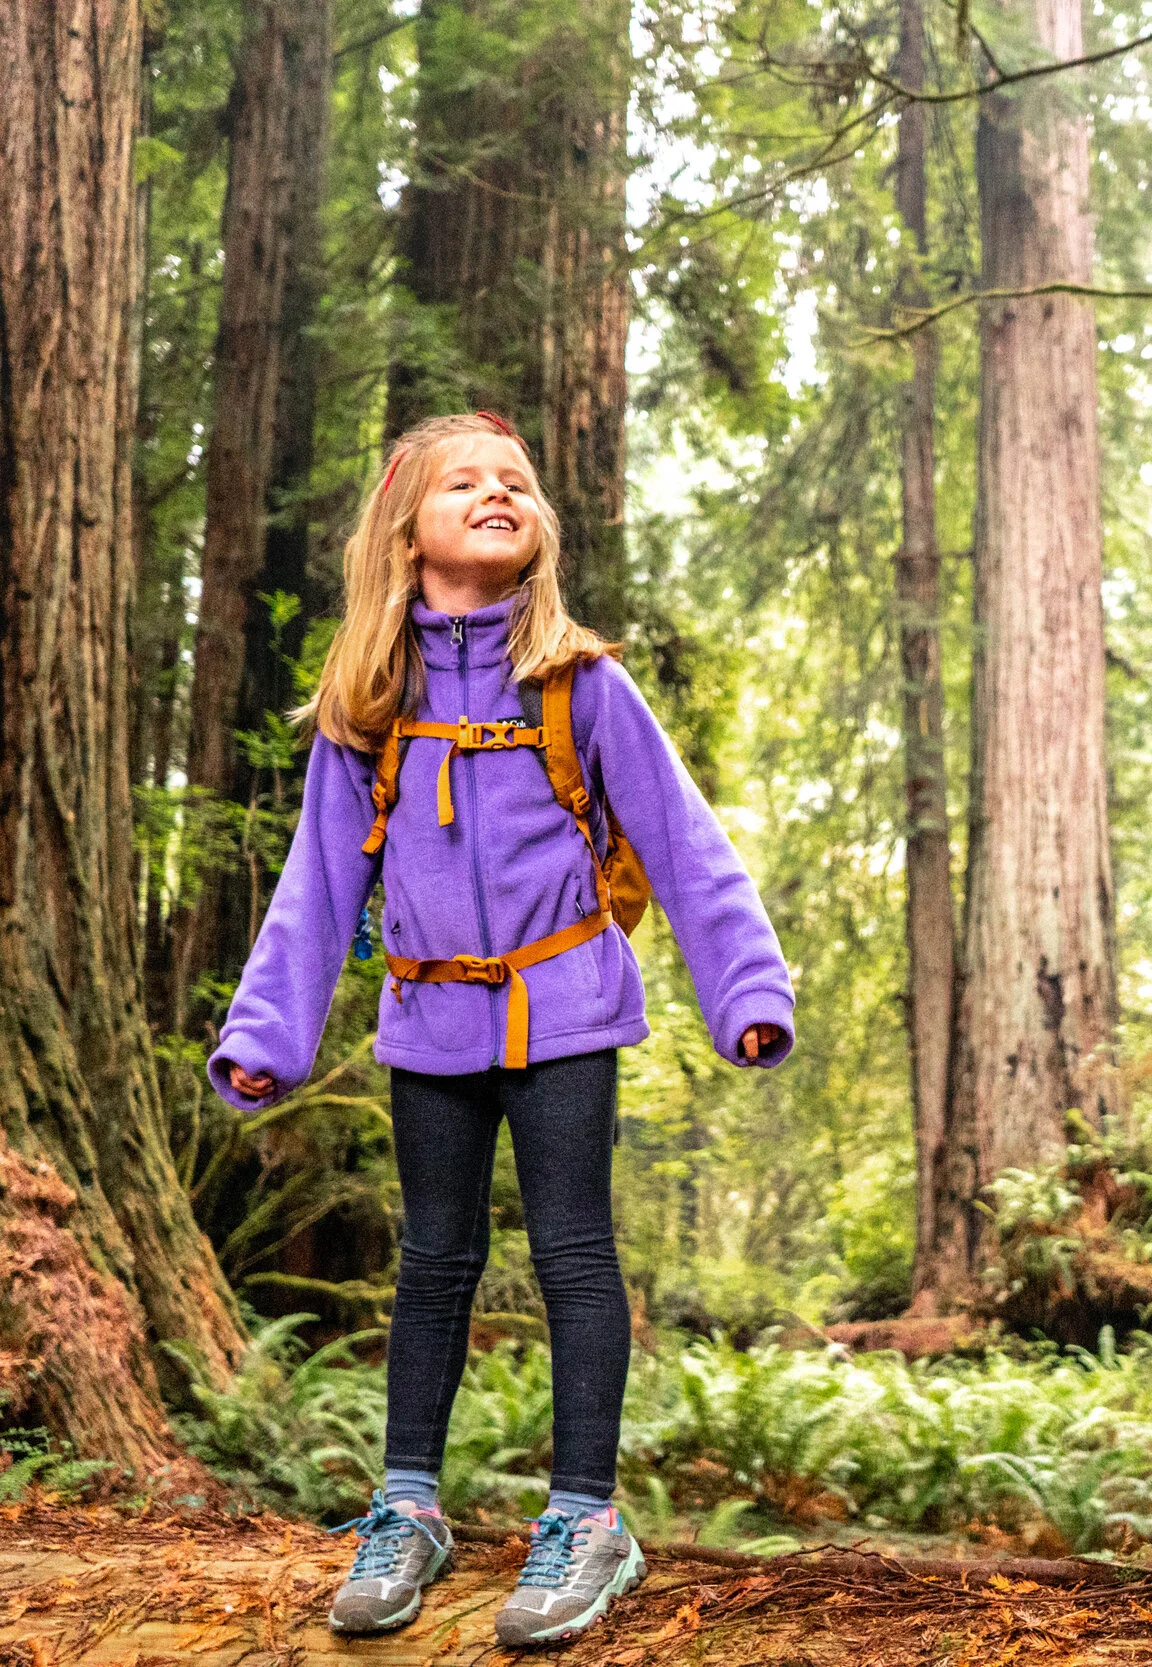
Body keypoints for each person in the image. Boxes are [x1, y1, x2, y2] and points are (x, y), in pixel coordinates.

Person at [208, 410, 794, 1645]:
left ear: (540, 529)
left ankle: (586, 1517)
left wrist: (748, 988)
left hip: (568, 1004)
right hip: (428, 1016)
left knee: (576, 1254)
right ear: (405, 528)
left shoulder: (581, 683)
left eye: (515, 483)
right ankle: (406, 1503)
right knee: (433, 1261)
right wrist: (268, 1030)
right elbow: (315, 884)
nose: (496, 493)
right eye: (463, 482)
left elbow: (688, 848)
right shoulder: (367, 701)